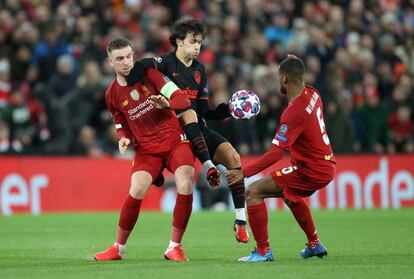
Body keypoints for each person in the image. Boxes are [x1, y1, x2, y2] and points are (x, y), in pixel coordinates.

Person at [126, 18, 249, 243]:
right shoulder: (164, 63)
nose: (197, 47)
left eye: (200, 43)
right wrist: (127, 83)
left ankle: (240, 220)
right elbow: (142, 65)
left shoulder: (200, 70)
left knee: (233, 156)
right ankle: (208, 166)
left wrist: (229, 109)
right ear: (179, 42)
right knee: (187, 114)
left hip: (196, 129)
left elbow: (204, 110)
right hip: (172, 132)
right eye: (193, 42)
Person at [94, 38, 196, 261]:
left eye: (129, 56)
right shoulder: (111, 94)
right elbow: (120, 121)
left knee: (186, 181)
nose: (126, 62)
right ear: (110, 62)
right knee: (137, 189)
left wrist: (167, 103)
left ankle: (174, 246)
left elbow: (182, 99)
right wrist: (123, 137)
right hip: (146, 149)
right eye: (119, 58)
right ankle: (118, 248)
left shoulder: (151, 75)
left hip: (174, 141)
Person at [226, 55, 336, 262]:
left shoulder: (293, 112)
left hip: (311, 169)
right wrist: (294, 63)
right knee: (288, 193)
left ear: (285, 79)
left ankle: (263, 251)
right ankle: (314, 244)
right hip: (324, 164)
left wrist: (244, 172)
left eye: (279, 77)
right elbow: (298, 77)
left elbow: (277, 153)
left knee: (253, 192)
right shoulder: (313, 94)